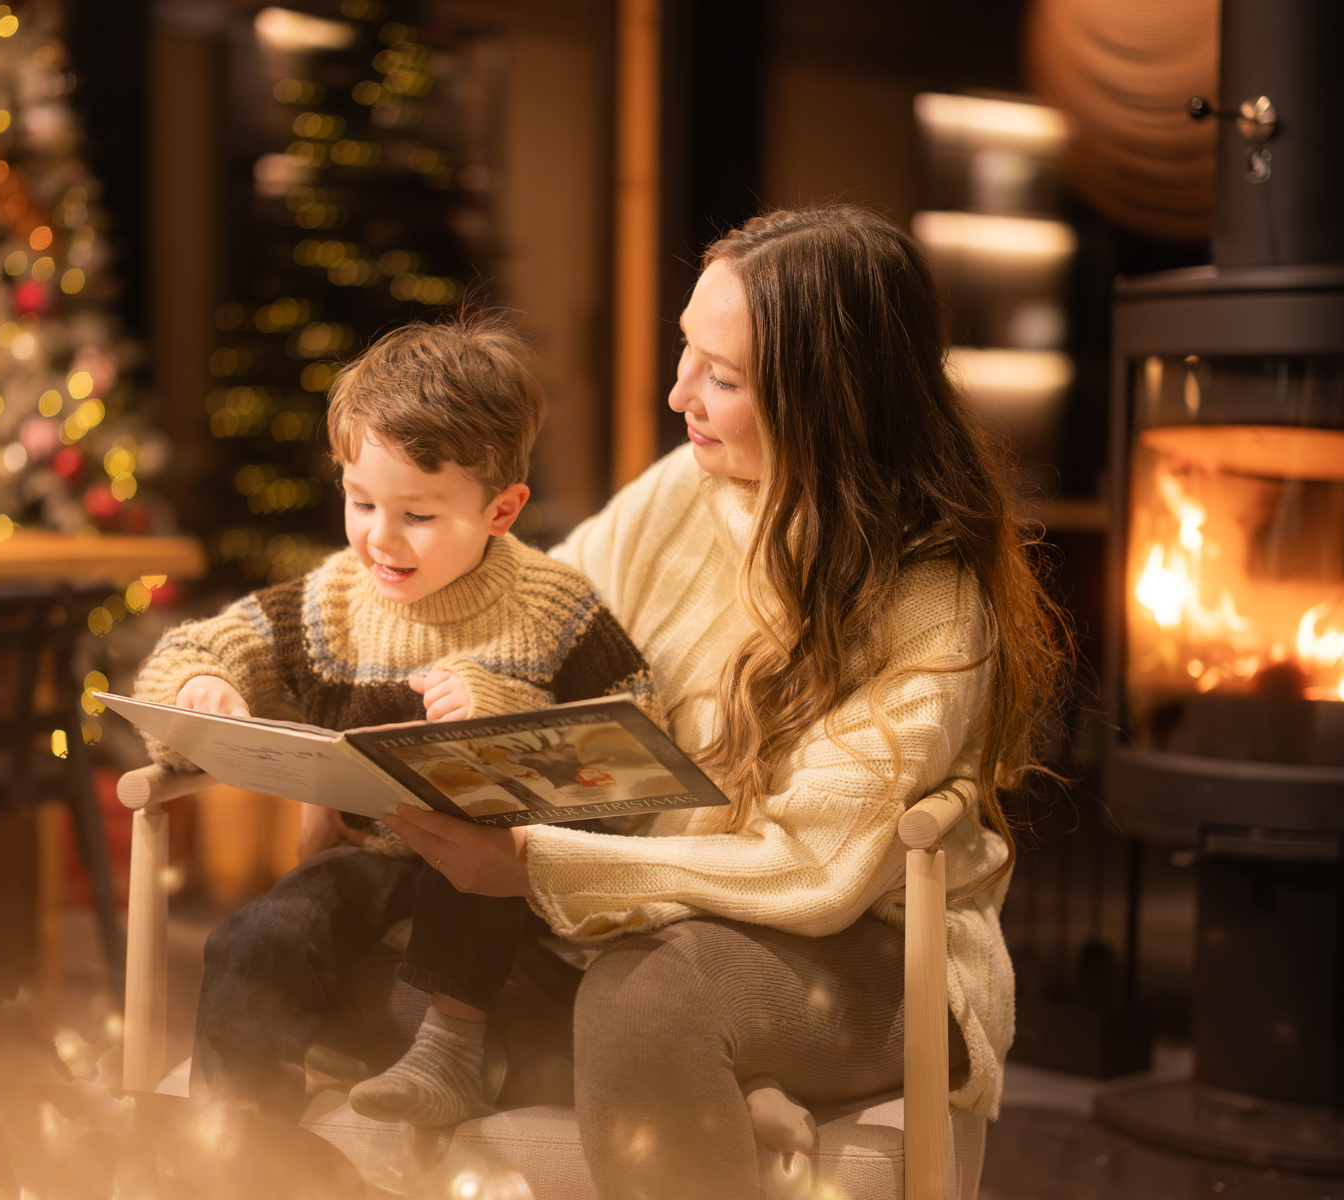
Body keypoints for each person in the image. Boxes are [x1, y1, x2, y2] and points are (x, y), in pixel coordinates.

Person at [382, 204, 1066, 1199]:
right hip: (647, 905)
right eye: (685, 355)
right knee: (371, 961)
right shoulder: (688, 489)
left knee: (650, 1000)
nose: (677, 395)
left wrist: (530, 862)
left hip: (861, 955)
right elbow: (539, 618)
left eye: (723, 377)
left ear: (827, 401)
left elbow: (813, 871)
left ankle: (707, 1076)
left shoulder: (934, 610)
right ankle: (724, 1100)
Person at [130, 315, 661, 1128]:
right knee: (255, 935)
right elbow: (186, 651)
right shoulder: (332, 599)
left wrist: (499, 711)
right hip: (372, 853)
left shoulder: (552, 605)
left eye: (417, 515)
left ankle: (451, 1052)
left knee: (475, 840)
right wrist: (205, 686)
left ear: (502, 511)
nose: (380, 537)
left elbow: (635, 729)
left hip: (503, 876)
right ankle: (235, 1142)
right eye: (360, 500)